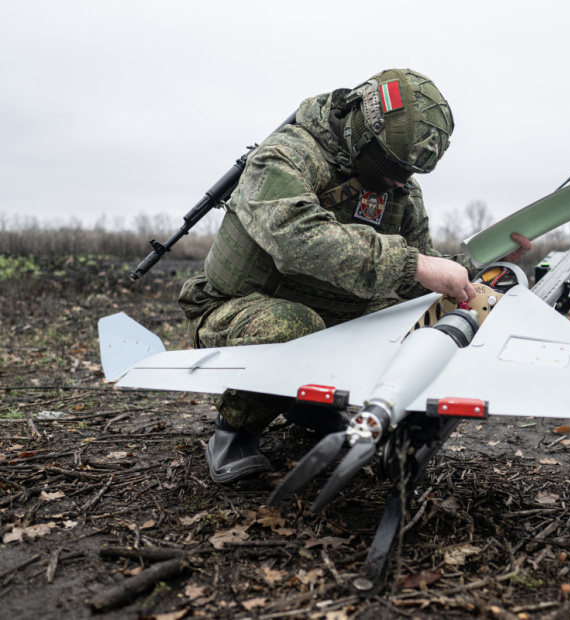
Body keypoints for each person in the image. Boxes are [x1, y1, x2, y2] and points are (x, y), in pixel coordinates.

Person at [177, 69, 532, 484]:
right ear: (362, 129)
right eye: (390, 164)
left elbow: (421, 269)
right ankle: (235, 429)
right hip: (236, 311)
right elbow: (297, 239)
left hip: (332, 315)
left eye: (409, 170)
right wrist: (414, 264)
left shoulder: (400, 189)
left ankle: (310, 400)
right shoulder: (285, 155)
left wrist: (470, 268)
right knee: (291, 326)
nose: (399, 179)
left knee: (423, 314)